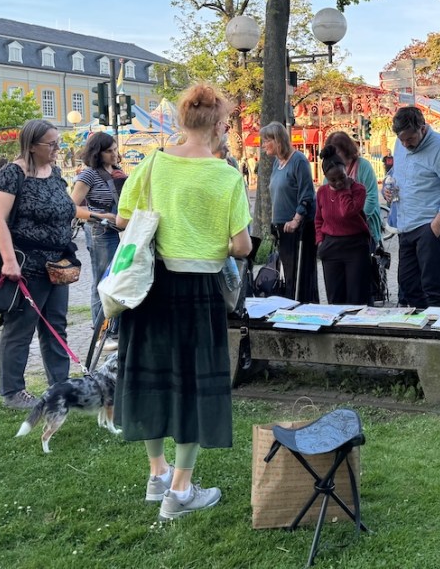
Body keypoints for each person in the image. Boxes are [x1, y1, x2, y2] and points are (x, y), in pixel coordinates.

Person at [114, 84, 251, 520]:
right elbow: (242, 246)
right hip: (197, 291)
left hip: (151, 287)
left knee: (152, 378)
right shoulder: (226, 175)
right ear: (218, 125)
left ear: (182, 120)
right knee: (194, 385)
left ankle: (158, 475)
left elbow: (123, 219)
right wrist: (207, 239)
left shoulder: (153, 163)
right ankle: (181, 490)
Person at [0, 120, 77, 410]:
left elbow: (66, 207)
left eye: (57, 142)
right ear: (31, 146)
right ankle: (12, 391)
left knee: (56, 326)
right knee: (21, 328)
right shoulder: (12, 174)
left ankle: (60, 387)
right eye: (51, 144)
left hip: (58, 264)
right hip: (27, 265)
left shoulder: (55, 173)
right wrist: (9, 260)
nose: (57, 148)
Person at [390, 106, 440, 307]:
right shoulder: (400, 143)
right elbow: (398, 173)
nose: (405, 144)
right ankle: (419, 322)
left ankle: (438, 323)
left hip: (431, 222)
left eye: (410, 139)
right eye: (401, 139)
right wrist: (389, 188)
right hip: (406, 223)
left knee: (431, 284)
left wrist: (437, 225)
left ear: (422, 128)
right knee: (408, 283)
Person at [70, 132, 121, 334]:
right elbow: (71, 207)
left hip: (117, 230)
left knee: (116, 280)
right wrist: (101, 216)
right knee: (102, 281)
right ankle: (101, 332)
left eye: (115, 149)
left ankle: (114, 328)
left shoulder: (117, 171)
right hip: (100, 231)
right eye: (109, 151)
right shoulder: (89, 175)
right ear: (97, 153)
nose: (114, 154)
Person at [261, 121, 318, 303]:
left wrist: (296, 219)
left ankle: (305, 306)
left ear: (277, 140)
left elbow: (307, 194)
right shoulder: (277, 164)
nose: (263, 145)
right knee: (289, 274)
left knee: (301, 275)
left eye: (267, 141)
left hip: (297, 227)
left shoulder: (298, 161)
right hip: (282, 228)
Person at [315, 146, 370, 304]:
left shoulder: (358, 190)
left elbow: (347, 212)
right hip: (331, 245)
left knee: (357, 296)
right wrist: (320, 241)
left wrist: (346, 190)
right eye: (333, 180)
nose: (338, 182)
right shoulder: (322, 192)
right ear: (326, 177)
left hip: (355, 245)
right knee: (335, 297)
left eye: (342, 177)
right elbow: (318, 219)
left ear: (346, 170)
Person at [325, 130, 382, 247]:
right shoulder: (331, 169)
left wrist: (356, 221)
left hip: (365, 228)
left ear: (346, 149)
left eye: (337, 152)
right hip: (339, 232)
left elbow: (371, 197)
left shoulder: (363, 166)